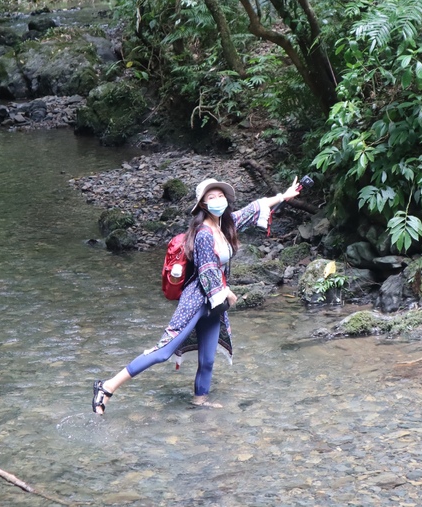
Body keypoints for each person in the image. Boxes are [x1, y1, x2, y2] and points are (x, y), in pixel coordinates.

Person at [92, 176, 302, 412]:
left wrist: (283, 196)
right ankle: (106, 387)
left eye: (220, 196)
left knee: (208, 359)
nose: (217, 200)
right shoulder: (203, 234)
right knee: (163, 351)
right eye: (211, 197)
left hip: (215, 303)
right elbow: (207, 270)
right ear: (203, 205)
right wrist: (227, 292)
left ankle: (200, 402)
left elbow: (253, 209)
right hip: (197, 300)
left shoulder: (226, 224)